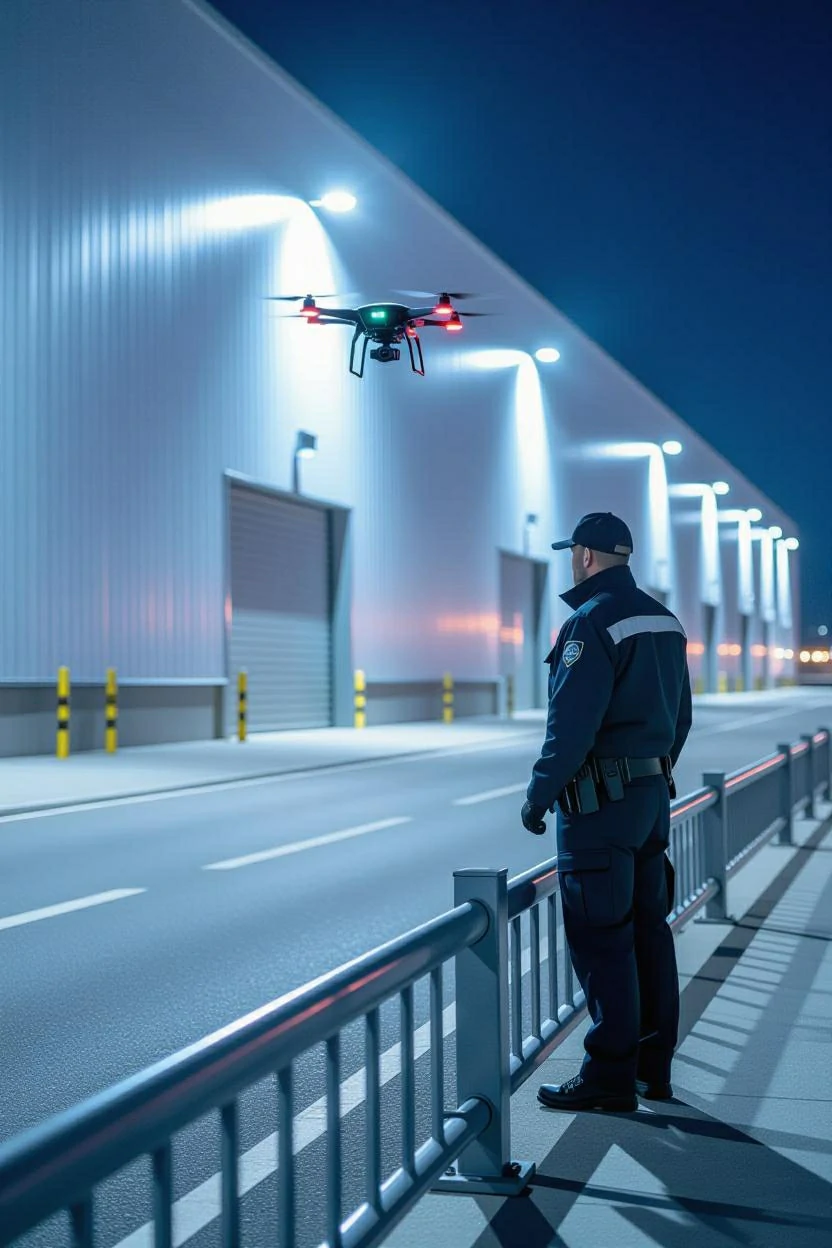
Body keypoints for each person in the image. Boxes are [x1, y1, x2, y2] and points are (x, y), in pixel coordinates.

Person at [521, 511, 692, 1113]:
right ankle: (653, 1069)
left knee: (602, 940)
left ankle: (608, 1079)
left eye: (574, 552)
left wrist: (541, 795)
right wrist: (650, 770)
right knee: (649, 933)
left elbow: (571, 726)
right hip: (650, 800)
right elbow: (681, 718)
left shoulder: (589, 622)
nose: (573, 560)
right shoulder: (664, 620)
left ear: (587, 556)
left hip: (598, 805)